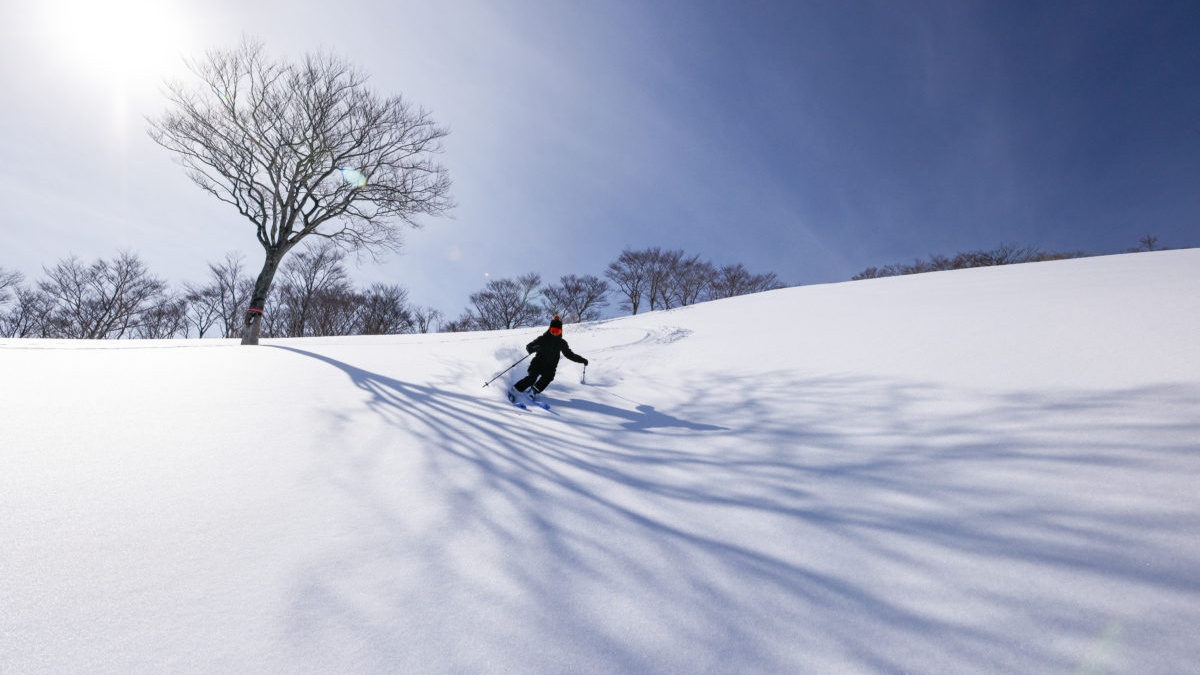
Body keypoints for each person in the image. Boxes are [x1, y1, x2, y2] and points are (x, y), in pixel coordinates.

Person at [510, 315, 588, 401]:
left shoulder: (561, 343)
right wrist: (533, 348)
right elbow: (529, 346)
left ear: (560, 332)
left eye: (557, 331)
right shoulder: (542, 339)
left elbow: (570, 355)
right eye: (553, 330)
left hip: (550, 367)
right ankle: (515, 389)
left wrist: (582, 360)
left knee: (549, 376)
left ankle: (533, 391)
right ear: (549, 329)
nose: (554, 333)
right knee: (532, 378)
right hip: (537, 363)